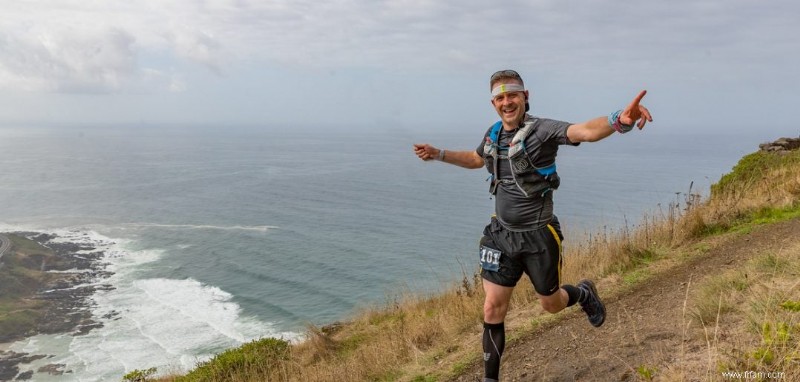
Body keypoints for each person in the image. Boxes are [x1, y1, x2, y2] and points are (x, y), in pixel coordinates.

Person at [412, 70, 652, 382]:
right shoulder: (493, 134)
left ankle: (583, 293)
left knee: (551, 306)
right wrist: (438, 154)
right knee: (492, 310)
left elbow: (584, 132)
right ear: (493, 103)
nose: (506, 101)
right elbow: (475, 159)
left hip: (539, 236)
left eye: (512, 95)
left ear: (526, 97)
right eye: (500, 97)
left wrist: (620, 118)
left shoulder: (543, 131)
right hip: (501, 236)